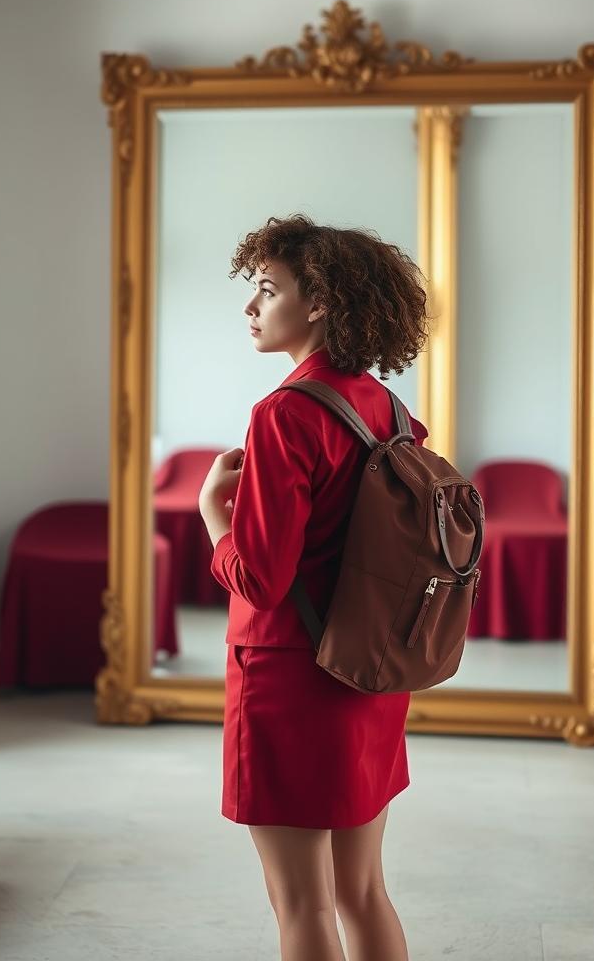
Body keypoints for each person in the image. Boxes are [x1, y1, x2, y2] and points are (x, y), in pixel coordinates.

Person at [197, 213, 432, 961]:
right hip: (368, 669)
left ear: (321, 302)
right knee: (361, 891)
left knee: (298, 903)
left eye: (268, 289)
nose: (251, 307)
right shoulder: (389, 409)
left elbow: (261, 580)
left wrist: (212, 519)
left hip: (290, 676)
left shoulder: (284, 415)